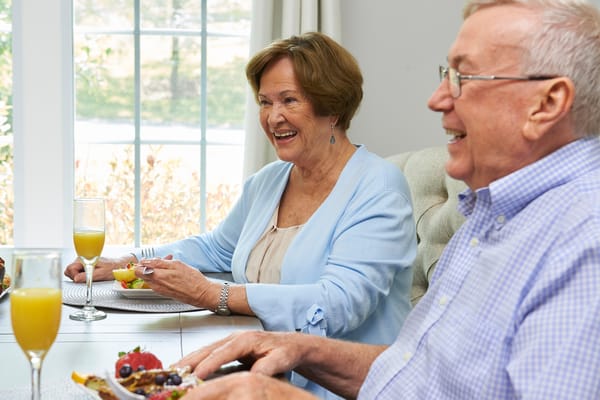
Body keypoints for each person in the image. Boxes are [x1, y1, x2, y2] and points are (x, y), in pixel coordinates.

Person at [170, 1, 600, 399]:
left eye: (463, 78)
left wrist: (274, 393)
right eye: (444, 75)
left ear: (548, 102)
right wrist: (293, 347)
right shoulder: (493, 219)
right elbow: (415, 375)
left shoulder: (584, 243)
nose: (437, 100)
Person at [64, 32, 417, 398]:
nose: (273, 117)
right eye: (265, 102)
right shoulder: (270, 181)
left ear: (334, 109)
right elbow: (215, 248)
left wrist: (213, 293)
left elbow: (339, 303)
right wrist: (131, 261)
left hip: (332, 390)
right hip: (263, 378)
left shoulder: (379, 188)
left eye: (289, 100)